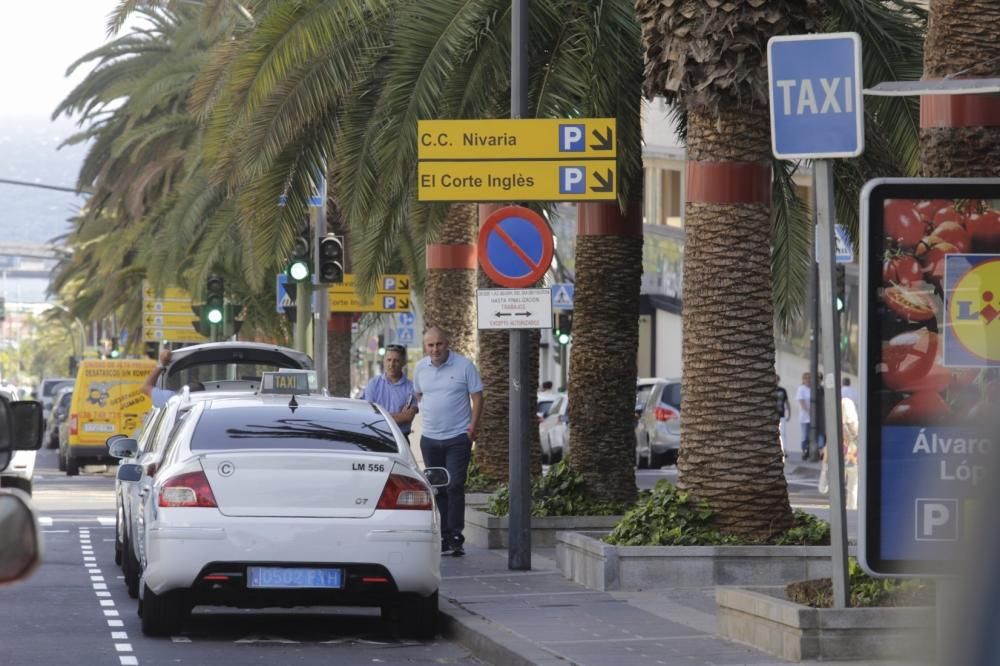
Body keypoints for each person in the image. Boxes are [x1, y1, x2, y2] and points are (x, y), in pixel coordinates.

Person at [413, 325, 483, 557]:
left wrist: (472, 426)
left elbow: (477, 396)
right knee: (438, 488)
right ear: (425, 347)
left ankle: (455, 536)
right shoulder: (420, 368)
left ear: (447, 343)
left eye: (439, 344)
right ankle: (442, 536)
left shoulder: (464, 366)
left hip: (457, 438)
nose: (435, 349)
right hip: (430, 439)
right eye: (430, 345)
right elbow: (419, 394)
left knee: (454, 486)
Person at [360, 344, 417, 441]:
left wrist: (379, 417)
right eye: (389, 360)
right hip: (374, 437)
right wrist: (400, 416)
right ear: (384, 361)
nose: (391, 364)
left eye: (396, 360)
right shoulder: (373, 384)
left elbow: (408, 417)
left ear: (403, 362)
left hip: (400, 440)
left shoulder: (411, 387)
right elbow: (369, 415)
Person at [796, 372, 811, 460]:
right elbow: (801, 401)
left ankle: (810, 450)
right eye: (807, 379)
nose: (808, 381)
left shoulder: (812, 389)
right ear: (804, 380)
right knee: (805, 435)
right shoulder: (801, 389)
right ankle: (804, 450)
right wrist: (808, 411)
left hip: (813, 416)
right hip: (805, 416)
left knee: (811, 435)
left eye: (809, 379)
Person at [776, 374, 790, 460]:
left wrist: (789, 413)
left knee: (783, 434)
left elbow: (787, 402)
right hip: (772, 416)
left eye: (777, 380)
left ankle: (783, 450)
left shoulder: (782, 390)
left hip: (781, 415)